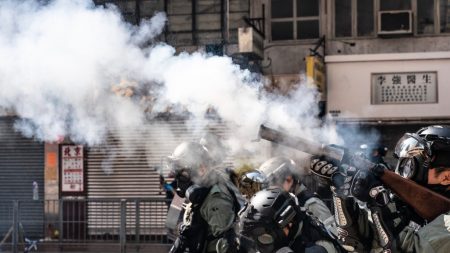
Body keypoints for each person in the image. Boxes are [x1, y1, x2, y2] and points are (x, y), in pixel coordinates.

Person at [310, 125, 450, 253]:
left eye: (411, 166)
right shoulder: (410, 206)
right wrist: (341, 190)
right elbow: (355, 245)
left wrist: (379, 202)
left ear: (446, 178)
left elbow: (407, 249)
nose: (404, 173)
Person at [165, 141, 241, 253]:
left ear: (201, 170)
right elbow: (174, 221)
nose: (179, 179)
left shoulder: (215, 200)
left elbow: (229, 247)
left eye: (183, 174)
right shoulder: (200, 195)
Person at [239, 187, 342, 253]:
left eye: (265, 237)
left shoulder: (319, 245)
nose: (260, 247)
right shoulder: (291, 237)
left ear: (289, 223)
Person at [255, 157, 336, 235]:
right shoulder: (282, 203)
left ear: (289, 180)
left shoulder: (311, 203)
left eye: (274, 183)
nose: (271, 189)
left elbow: (334, 235)